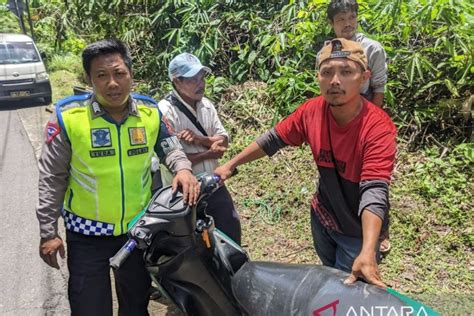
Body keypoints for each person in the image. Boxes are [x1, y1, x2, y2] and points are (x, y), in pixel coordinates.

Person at [36, 39, 199, 316]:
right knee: (89, 308)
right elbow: (52, 177)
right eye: (102, 75)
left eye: (119, 73)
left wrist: (182, 169)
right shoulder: (68, 118)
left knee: (136, 305)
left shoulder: (149, 113)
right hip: (86, 235)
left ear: (131, 75)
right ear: (89, 79)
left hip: (137, 233)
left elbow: (171, 149)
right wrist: (48, 232)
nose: (112, 83)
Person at [215, 38, 396, 287]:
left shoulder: (377, 127)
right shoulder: (312, 111)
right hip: (324, 216)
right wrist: (230, 164)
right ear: (318, 77)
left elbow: (374, 191)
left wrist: (367, 250)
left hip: (357, 231)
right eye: (327, 72)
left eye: (346, 72)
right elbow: (273, 139)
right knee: (329, 276)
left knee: (347, 293)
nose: (335, 80)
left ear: (364, 77)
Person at [156, 52, 241, 245]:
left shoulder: (207, 106)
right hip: (184, 192)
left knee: (231, 228)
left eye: (201, 77)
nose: (200, 83)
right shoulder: (165, 111)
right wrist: (209, 153)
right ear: (177, 82)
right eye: (193, 79)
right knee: (194, 245)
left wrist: (198, 138)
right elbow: (170, 157)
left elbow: (223, 141)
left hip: (213, 184)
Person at [320, 0, 388, 108]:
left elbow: (379, 88)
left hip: (364, 109)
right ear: (331, 23)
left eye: (352, 17)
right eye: (341, 19)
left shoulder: (372, 49)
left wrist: (371, 118)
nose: (347, 24)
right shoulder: (325, 52)